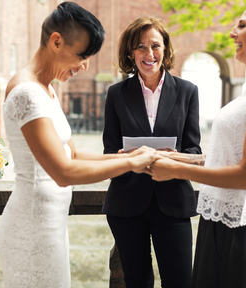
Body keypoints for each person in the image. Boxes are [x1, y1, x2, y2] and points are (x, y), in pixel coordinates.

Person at [0, 2, 156, 288]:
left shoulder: (47, 89)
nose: (84, 66)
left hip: (50, 223)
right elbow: (64, 172)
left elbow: (72, 153)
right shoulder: (26, 93)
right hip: (32, 226)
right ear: (56, 41)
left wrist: (130, 154)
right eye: (82, 55)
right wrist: (131, 164)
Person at [148, 0, 246, 288]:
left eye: (242, 25)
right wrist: (179, 158)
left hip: (239, 226)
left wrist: (175, 171)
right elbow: (227, 155)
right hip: (216, 218)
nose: (233, 32)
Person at [102, 16, 201, 288]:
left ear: (165, 49)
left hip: (173, 201)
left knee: (180, 281)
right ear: (130, 53)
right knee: (136, 281)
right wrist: (125, 158)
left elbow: (194, 149)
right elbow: (109, 149)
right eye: (141, 47)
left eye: (155, 46)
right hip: (127, 203)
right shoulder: (116, 94)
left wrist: (174, 156)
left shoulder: (187, 91)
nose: (149, 54)